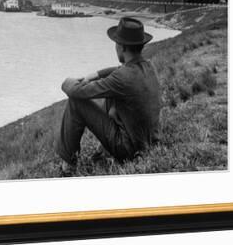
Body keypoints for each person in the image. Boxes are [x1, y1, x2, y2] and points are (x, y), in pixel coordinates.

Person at [55, 16, 161, 174]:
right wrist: (94, 75)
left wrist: (66, 81)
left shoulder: (122, 78)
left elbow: (76, 91)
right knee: (111, 96)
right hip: (151, 142)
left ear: (121, 47)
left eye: (116, 43)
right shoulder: (148, 66)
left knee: (76, 103)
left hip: (129, 150)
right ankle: (102, 151)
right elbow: (118, 70)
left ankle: (68, 167)